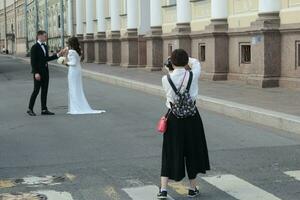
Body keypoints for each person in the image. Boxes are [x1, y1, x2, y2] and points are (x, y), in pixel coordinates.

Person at [157, 49, 210, 199]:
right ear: (186, 62)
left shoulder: (165, 79)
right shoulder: (193, 75)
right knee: (191, 151)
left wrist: (170, 65)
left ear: (172, 62)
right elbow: (196, 63)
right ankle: (192, 189)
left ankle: (163, 190)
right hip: (192, 118)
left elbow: (169, 71)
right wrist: (188, 61)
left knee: (169, 152)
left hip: (173, 119)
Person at [61, 37, 105, 115]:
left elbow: (73, 63)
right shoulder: (79, 50)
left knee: (73, 88)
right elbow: (77, 61)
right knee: (77, 87)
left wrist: (65, 63)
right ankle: (77, 106)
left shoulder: (71, 51)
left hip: (73, 71)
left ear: (70, 43)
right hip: (78, 70)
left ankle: (75, 108)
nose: (67, 44)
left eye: (68, 43)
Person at [27, 30, 63, 116]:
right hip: (38, 73)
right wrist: (36, 73)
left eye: (46, 36)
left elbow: (46, 59)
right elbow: (33, 62)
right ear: (39, 36)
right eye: (45, 36)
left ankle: (44, 109)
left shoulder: (45, 46)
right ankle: (30, 109)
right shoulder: (34, 47)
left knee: (44, 91)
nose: (46, 37)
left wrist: (58, 55)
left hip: (45, 72)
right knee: (36, 90)